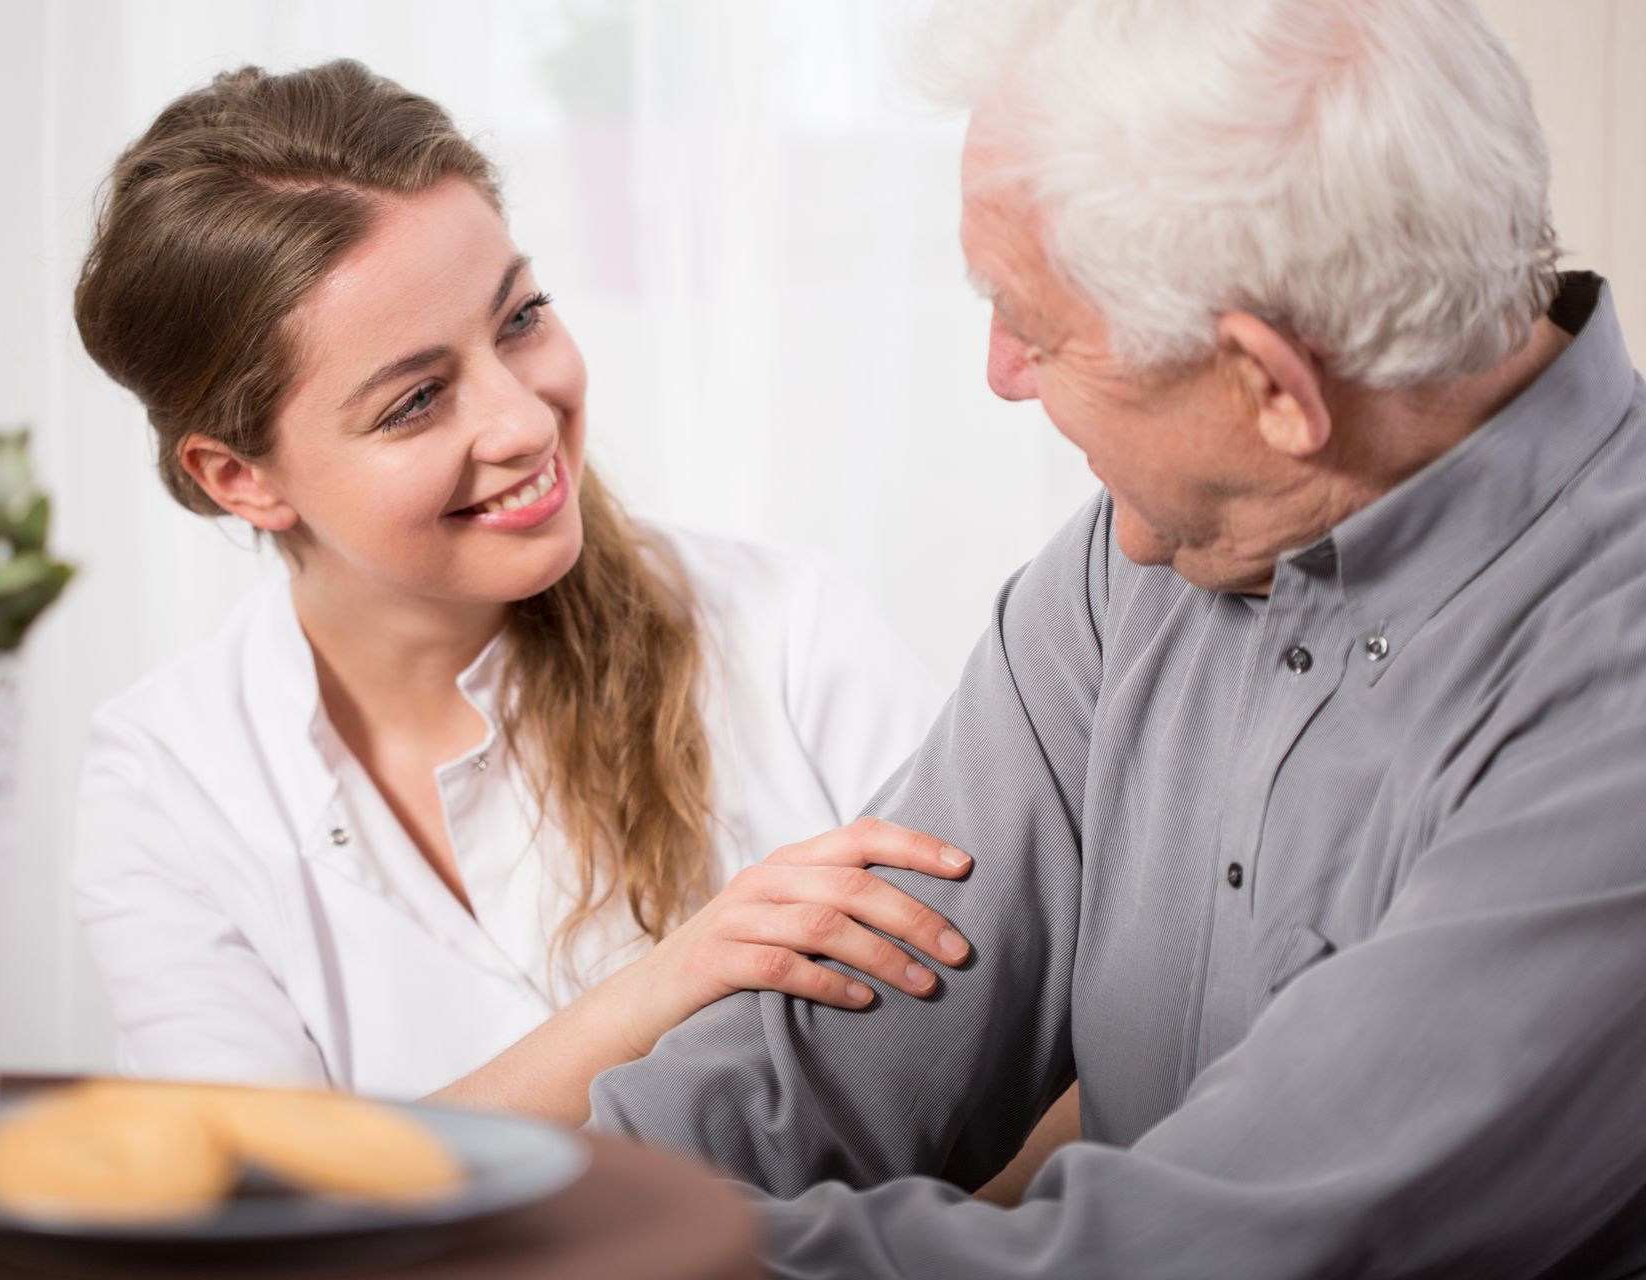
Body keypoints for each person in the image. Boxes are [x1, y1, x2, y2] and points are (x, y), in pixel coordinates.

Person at [587, 0, 1646, 1275]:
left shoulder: (1611, 701)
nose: (1000, 373)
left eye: (1032, 325)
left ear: (1272, 387)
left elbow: (1198, 1252)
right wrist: (548, 1210)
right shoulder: (1137, 559)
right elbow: (831, 1039)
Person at [67, 59, 975, 1123]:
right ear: (240, 476)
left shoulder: (783, 630)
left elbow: (1023, 1074)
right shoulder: (166, 784)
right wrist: (673, 983)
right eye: (415, 400)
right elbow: (261, 1206)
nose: (527, 422)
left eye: (520, 317)